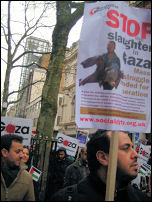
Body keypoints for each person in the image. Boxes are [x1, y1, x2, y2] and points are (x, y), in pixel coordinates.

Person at [51, 130, 150, 201]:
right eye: (126, 148)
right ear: (102, 157)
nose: (136, 154)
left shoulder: (141, 198)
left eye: (133, 148)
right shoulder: (65, 198)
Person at [1, 134, 35, 201]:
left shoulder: (27, 177)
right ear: (5, 152)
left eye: (22, 151)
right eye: (18, 152)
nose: (22, 155)